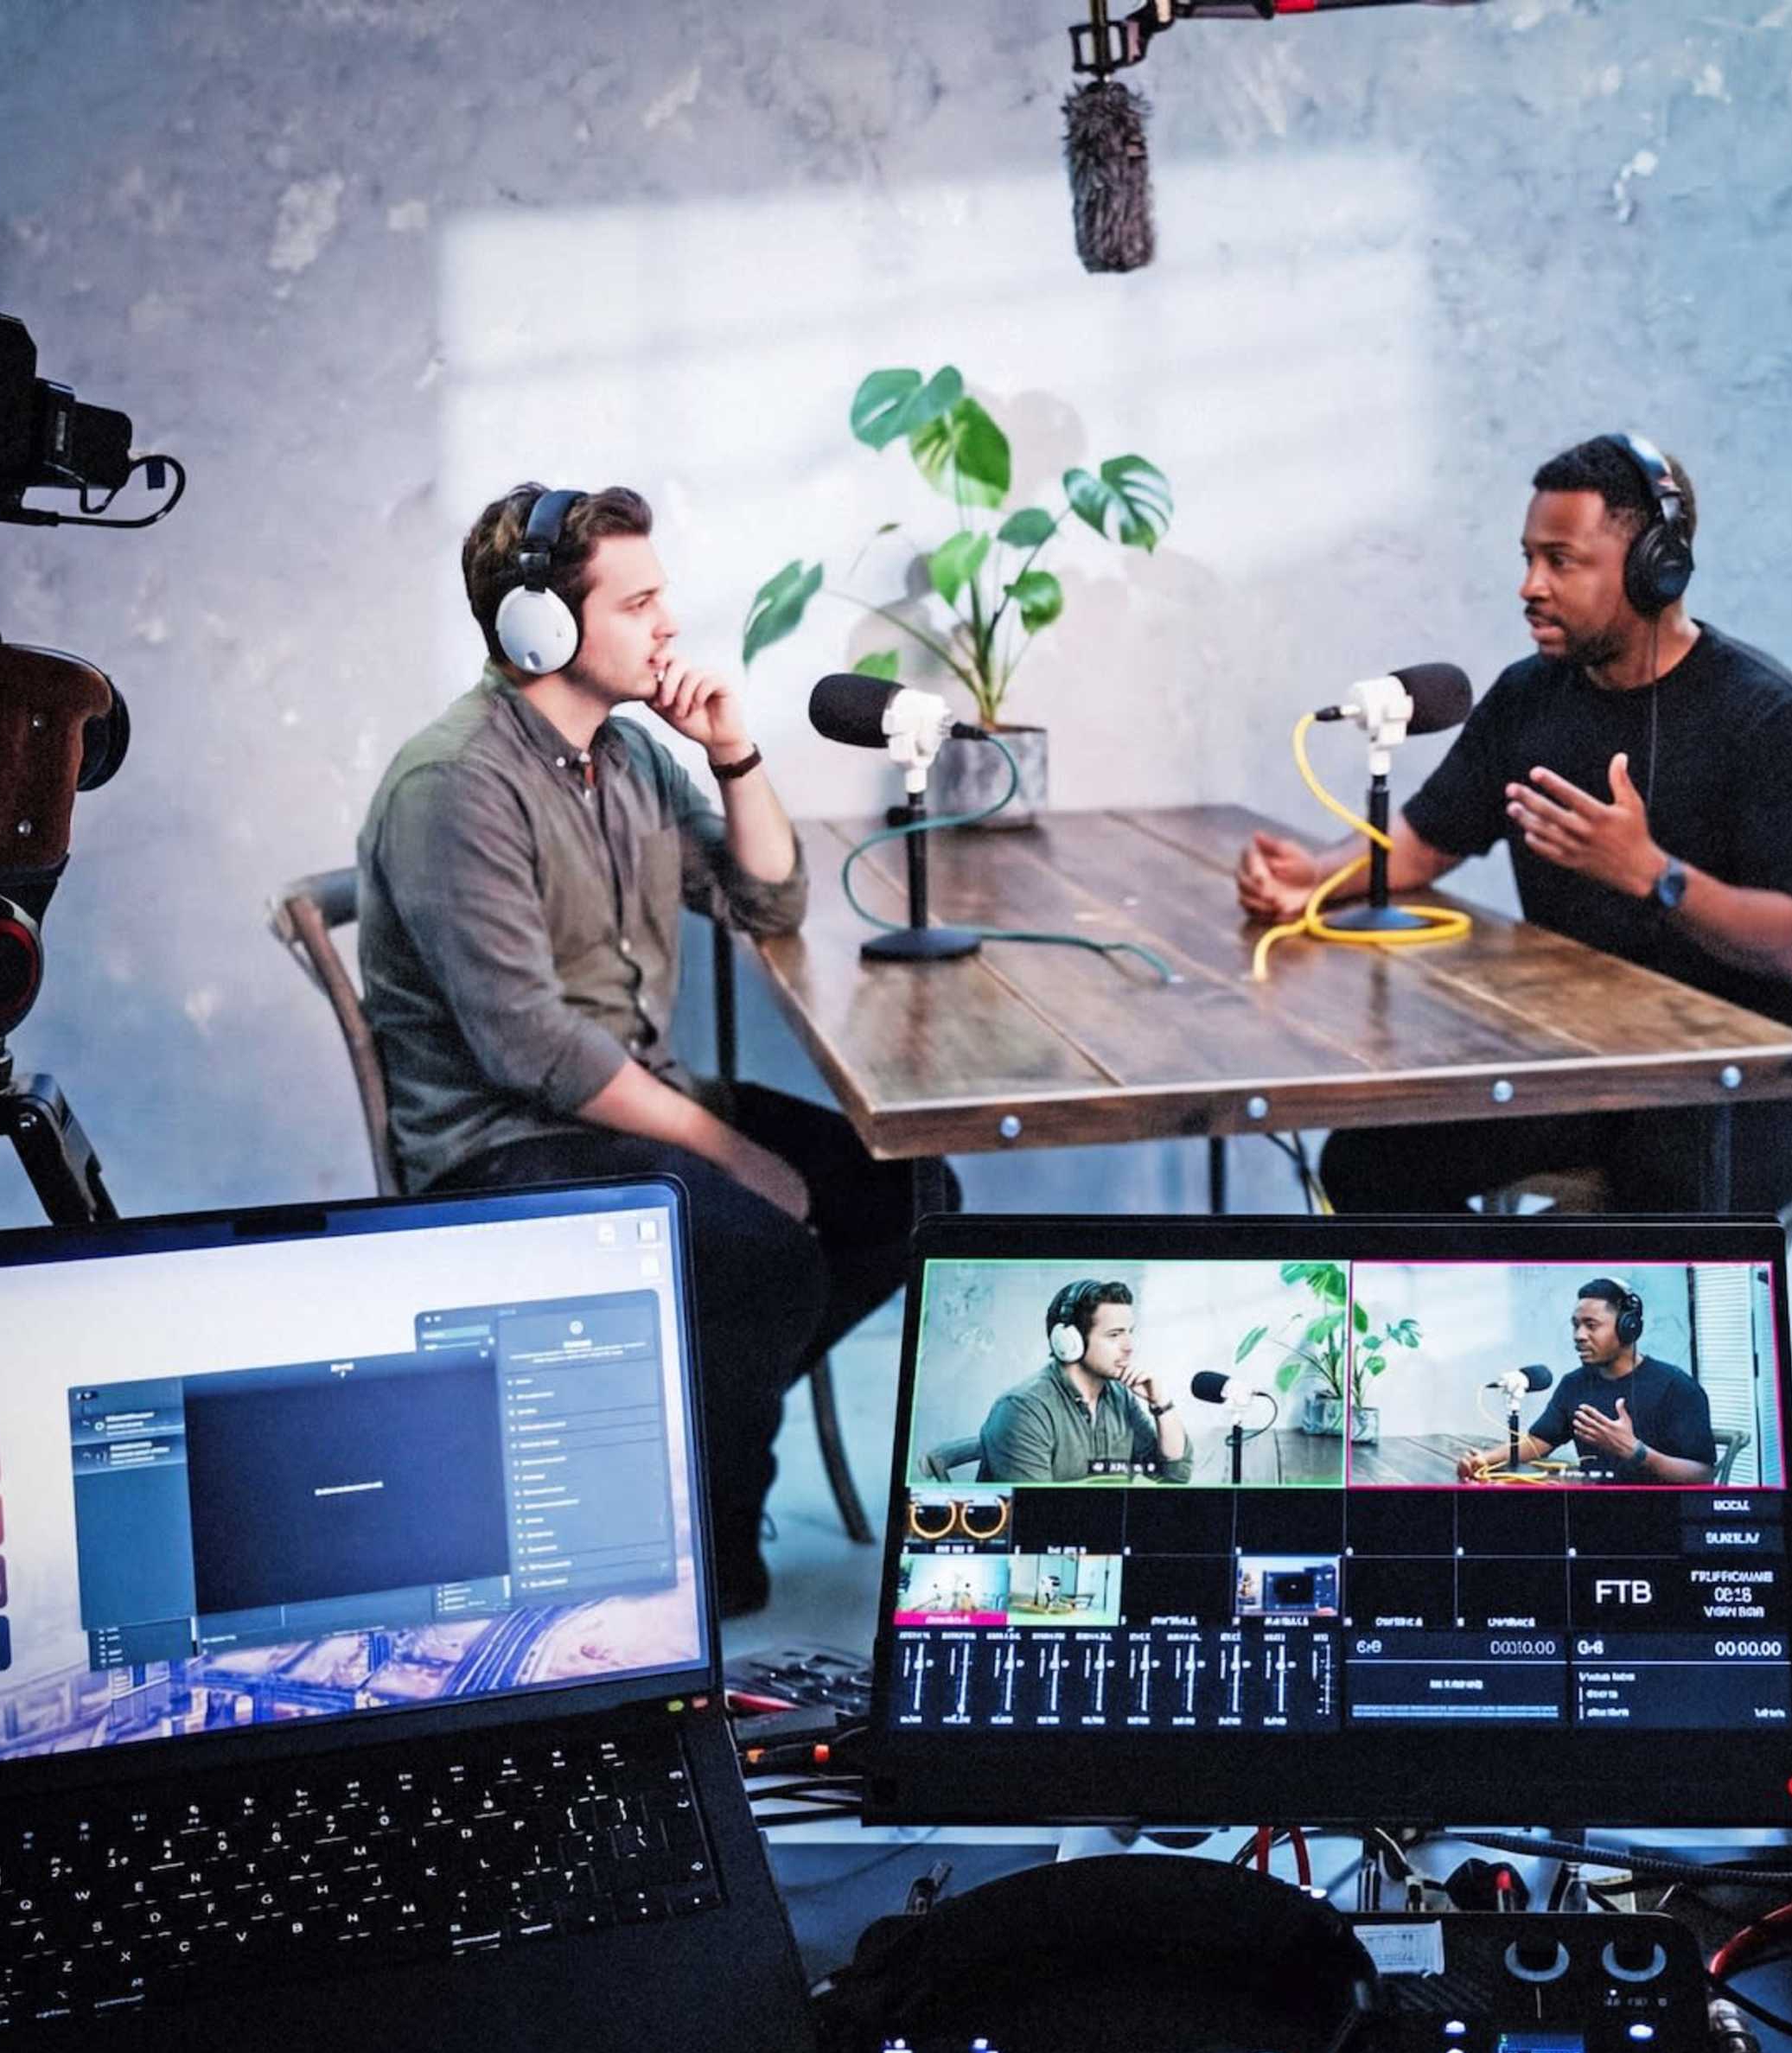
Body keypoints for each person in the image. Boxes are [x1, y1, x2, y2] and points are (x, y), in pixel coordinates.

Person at [357, 482, 951, 1613]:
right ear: (541, 624)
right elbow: (533, 1050)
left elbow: (767, 901)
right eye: (637, 604)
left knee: (908, 1194)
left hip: (635, 1099)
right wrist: (733, 1153)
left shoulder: (625, 754)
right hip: (503, 1143)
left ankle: (674, 1448)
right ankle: (707, 1558)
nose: (669, 624)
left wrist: (733, 752)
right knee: (763, 1256)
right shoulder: (456, 786)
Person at [1236, 435, 1792, 1213]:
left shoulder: (1770, 719)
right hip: (1584, 1063)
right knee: (1367, 1161)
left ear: (1655, 567)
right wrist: (1315, 880)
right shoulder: (1530, 696)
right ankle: (1481, 1291)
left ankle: (1569, 1290)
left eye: (1562, 561)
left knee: (1663, 1189)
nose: (1531, 585)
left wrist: (1651, 874)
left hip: (1760, 1080)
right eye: (1528, 558)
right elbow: (1424, 842)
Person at [1454, 1278, 1718, 1482]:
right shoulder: (1574, 1384)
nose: (1579, 1335)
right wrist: (1484, 1460)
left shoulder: (1677, 1387)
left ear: (1628, 1328)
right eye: (1576, 1325)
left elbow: (1703, 1475)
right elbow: (1538, 1441)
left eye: (1591, 1325)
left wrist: (1637, 1452)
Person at [977, 1278, 1192, 1485]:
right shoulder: (1022, 1411)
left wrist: (1161, 1404)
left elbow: (1175, 1475)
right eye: (1114, 1335)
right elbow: (1034, 1506)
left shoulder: (1120, 1397)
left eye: (1129, 1332)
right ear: (1069, 1341)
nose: (1129, 1347)